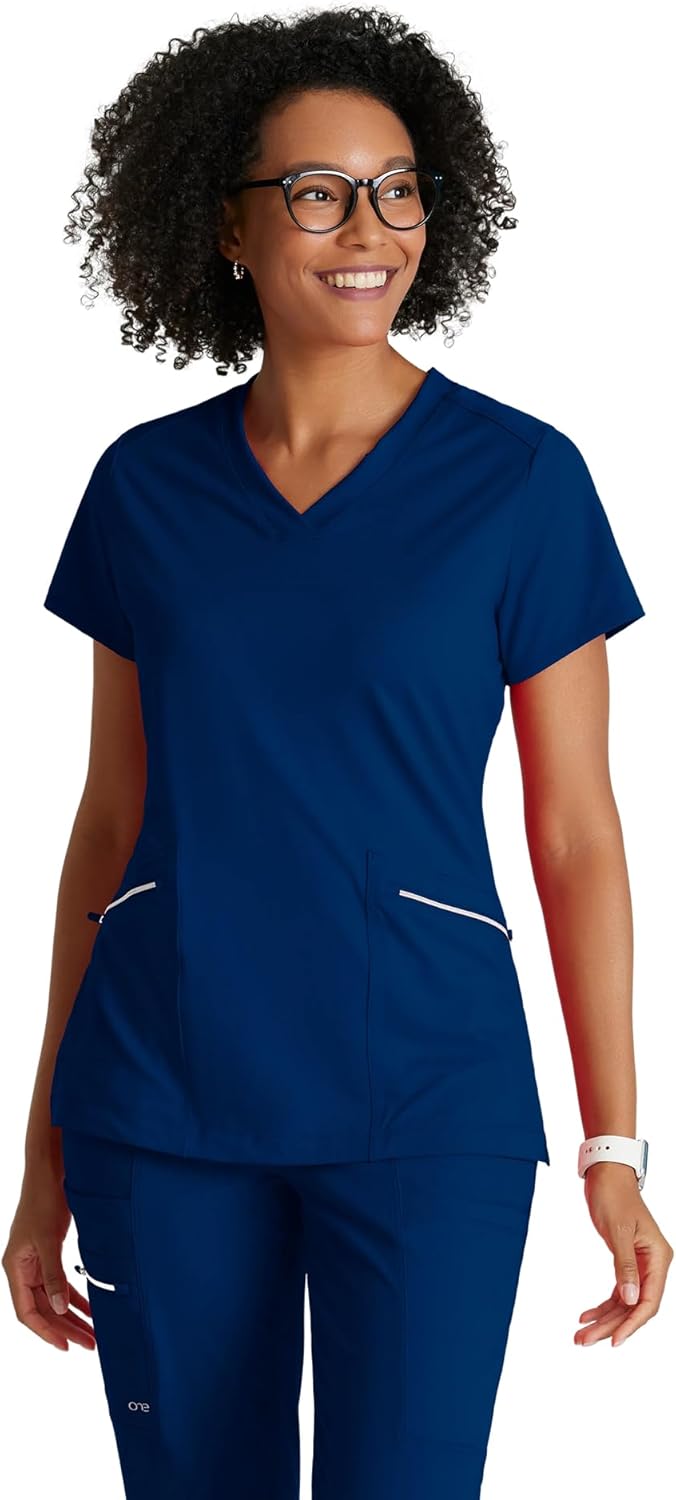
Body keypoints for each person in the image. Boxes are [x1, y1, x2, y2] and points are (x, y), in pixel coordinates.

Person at [3, 7, 673, 1498]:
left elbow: (578, 834)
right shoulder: (143, 488)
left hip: (428, 1097)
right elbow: (109, 823)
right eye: (316, 191)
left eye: (398, 187)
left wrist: (616, 1146)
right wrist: (43, 1155)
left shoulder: (522, 482)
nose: (369, 228)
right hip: (160, 1098)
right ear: (227, 229)